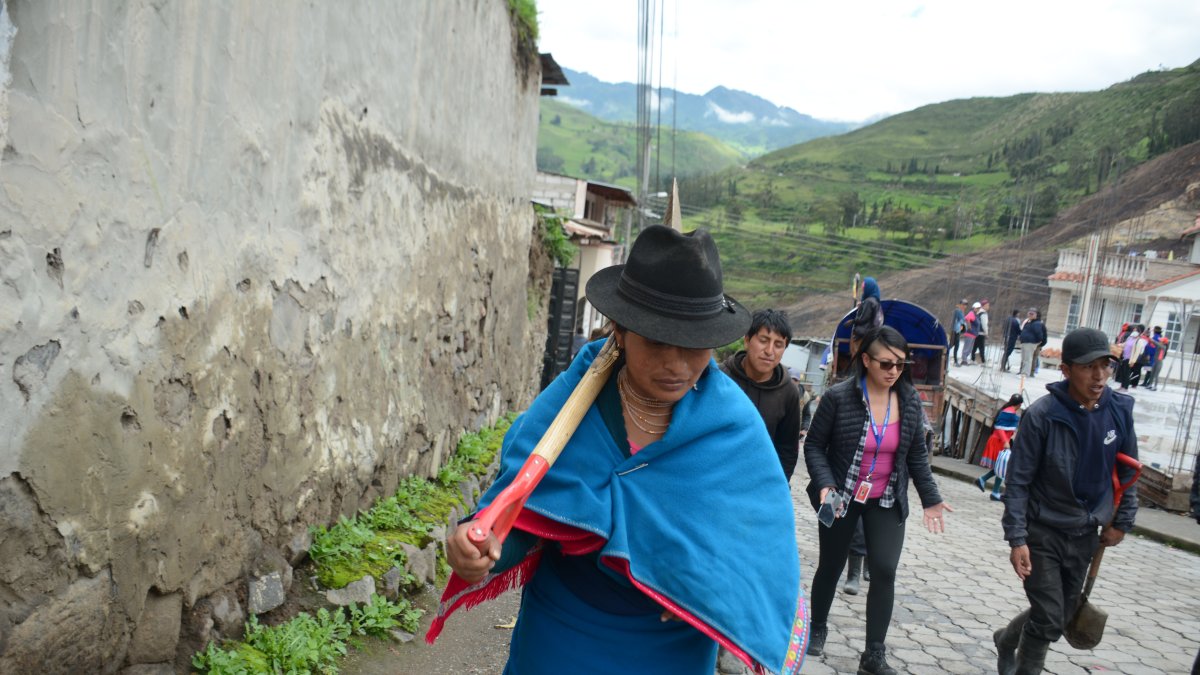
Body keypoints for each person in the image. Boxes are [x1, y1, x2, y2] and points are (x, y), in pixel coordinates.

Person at [434, 226, 809, 675]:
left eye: (694, 346)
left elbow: (760, 548)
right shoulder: (569, 408)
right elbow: (524, 515)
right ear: (620, 330)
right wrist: (481, 548)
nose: (676, 364)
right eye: (657, 341)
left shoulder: (732, 428)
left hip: (673, 651)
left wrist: (714, 591)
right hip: (562, 636)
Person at [803, 325, 953, 674]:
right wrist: (825, 484)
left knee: (884, 570)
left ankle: (873, 655)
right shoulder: (839, 397)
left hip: (886, 497)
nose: (893, 371)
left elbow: (916, 455)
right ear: (867, 360)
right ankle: (818, 626)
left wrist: (931, 498)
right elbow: (814, 446)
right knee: (831, 564)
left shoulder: (910, 401)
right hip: (841, 495)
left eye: (901, 364)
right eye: (886, 363)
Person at [994, 327, 1138, 675]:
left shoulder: (1118, 410)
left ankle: (1006, 639)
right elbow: (1018, 482)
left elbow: (1129, 470)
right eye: (1089, 367)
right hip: (1042, 532)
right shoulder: (1042, 416)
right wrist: (1017, 538)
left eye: (1105, 366)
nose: (1099, 376)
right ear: (1066, 370)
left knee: (1059, 613)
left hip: (1085, 532)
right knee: (1048, 618)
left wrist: (1122, 521)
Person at [721, 309, 802, 480]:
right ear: (747, 340)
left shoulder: (789, 392)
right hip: (715, 476)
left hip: (758, 482)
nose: (769, 351)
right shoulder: (720, 379)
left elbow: (787, 449)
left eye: (778, 345)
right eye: (763, 341)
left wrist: (777, 486)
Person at [976, 394, 1023, 501]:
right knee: (1002, 466)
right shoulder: (1009, 412)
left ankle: (985, 482)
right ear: (1020, 404)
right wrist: (1006, 441)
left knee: (1000, 466)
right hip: (999, 442)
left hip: (998, 441)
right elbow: (1000, 428)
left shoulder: (1007, 410)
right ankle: (994, 491)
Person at [1018, 309, 1046, 377]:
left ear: (1036, 315)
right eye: (1029, 313)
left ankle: (1025, 374)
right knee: (1024, 359)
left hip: (1030, 343)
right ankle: (1023, 372)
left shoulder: (1037, 323)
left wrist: (1038, 341)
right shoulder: (1028, 322)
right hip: (1025, 342)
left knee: (1028, 359)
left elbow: (1039, 334)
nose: (1030, 315)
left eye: (1032, 314)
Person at [971, 298, 991, 365]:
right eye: (987, 305)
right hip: (981, 333)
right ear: (984, 306)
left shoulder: (978, 312)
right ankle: (983, 361)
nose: (988, 307)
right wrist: (986, 333)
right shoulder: (984, 314)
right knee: (982, 347)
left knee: (975, 346)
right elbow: (984, 324)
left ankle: (972, 359)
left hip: (976, 332)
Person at [950, 299, 967, 367]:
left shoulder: (961, 312)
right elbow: (962, 320)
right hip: (954, 331)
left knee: (956, 346)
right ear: (960, 305)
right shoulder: (958, 311)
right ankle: (952, 360)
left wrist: (962, 330)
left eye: (965, 305)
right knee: (951, 345)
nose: (964, 306)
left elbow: (962, 323)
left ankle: (955, 361)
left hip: (957, 331)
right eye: (963, 304)